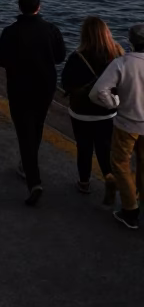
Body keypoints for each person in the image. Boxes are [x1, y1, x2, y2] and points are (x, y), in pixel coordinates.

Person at [0, 0, 66, 206]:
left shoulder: (10, 32)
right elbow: (60, 57)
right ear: (39, 6)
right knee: (37, 124)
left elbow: (0, 59)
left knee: (24, 131)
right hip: (45, 87)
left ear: (19, 6)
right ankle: (28, 164)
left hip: (19, 87)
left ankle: (33, 180)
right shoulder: (51, 29)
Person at [61, 17, 123, 201]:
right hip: (107, 112)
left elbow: (66, 83)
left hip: (81, 113)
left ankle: (84, 182)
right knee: (105, 148)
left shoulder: (76, 58)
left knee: (84, 147)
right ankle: (109, 177)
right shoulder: (116, 55)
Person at [90, 23, 144, 230]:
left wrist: (115, 103)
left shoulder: (121, 63)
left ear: (131, 41)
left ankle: (130, 210)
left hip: (126, 123)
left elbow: (98, 92)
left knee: (121, 164)